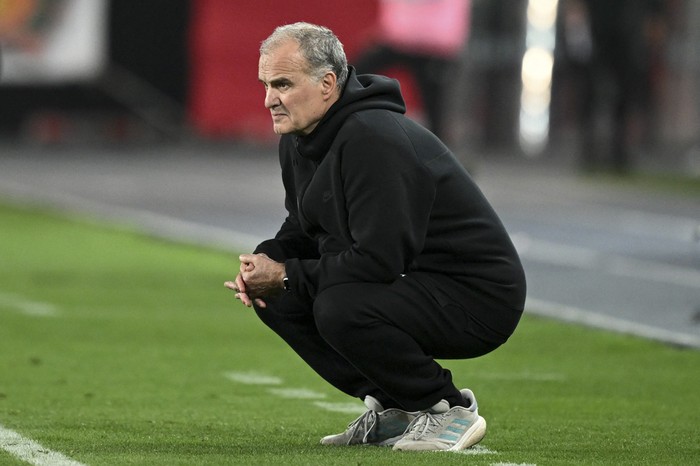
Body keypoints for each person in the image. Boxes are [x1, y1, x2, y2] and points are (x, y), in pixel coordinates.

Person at [224, 22, 526, 452]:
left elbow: (378, 260)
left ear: (328, 84)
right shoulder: (299, 135)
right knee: (279, 296)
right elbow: (305, 226)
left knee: (339, 305)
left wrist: (288, 274)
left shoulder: (373, 138)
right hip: (412, 281)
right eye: (267, 84)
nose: (269, 98)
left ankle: (447, 409)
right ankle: (396, 410)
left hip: (476, 297)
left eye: (283, 84)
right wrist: (264, 262)